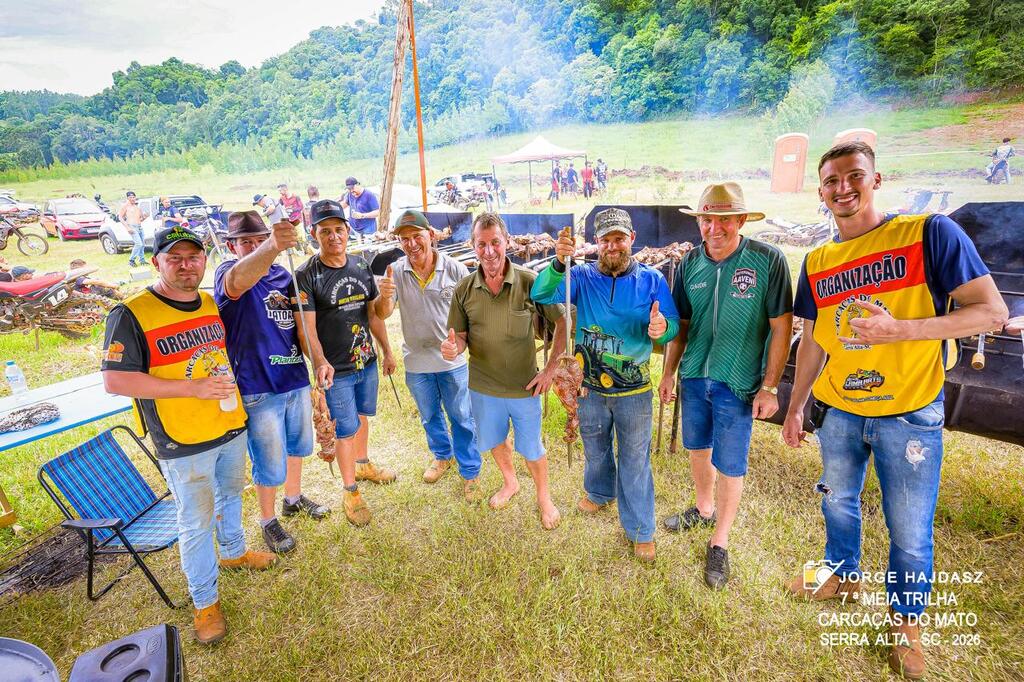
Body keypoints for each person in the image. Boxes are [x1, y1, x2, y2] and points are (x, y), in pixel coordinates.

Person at [781, 142, 1007, 679]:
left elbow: (991, 312)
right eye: (832, 180)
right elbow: (812, 340)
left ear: (877, 179)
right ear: (820, 192)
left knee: (909, 528)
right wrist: (796, 406)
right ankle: (841, 574)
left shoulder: (930, 233)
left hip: (908, 413)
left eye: (854, 176)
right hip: (838, 411)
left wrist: (901, 329)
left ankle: (905, 625)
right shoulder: (818, 260)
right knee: (838, 503)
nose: (843, 188)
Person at [101, 225, 276, 645]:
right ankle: (205, 602)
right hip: (182, 439)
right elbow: (116, 382)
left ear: (203, 259)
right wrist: (189, 388)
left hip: (227, 425)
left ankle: (233, 552)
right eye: (174, 258)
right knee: (196, 521)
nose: (185, 265)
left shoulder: (210, 303)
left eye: (193, 257)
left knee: (232, 494)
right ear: (155, 261)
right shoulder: (131, 314)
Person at [657, 183, 793, 586]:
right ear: (699, 221)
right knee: (697, 446)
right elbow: (680, 326)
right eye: (706, 219)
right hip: (696, 374)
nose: (714, 228)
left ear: (740, 221)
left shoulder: (767, 260)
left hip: (739, 379)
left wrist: (770, 386)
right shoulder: (689, 264)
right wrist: (668, 372)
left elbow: (781, 327)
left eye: (724, 220)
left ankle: (720, 542)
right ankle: (703, 510)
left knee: (731, 461)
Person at [532, 208, 679, 561]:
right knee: (595, 448)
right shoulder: (579, 277)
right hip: (589, 388)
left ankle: (641, 529)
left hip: (634, 391)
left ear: (632, 240)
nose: (612, 246)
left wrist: (663, 329)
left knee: (635, 459)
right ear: (596, 244)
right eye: (605, 240)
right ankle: (599, 493)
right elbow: (542, 292)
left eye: (619, 239)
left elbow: (672, 324)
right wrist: (556, 263)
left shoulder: (651, 280)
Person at [214, 211, 330, 554]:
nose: (252, 247)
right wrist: (270, 245)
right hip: (257, 385)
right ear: (232, 245)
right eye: (245, 242)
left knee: (297, 446)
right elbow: (237, 282)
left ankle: (292, 499)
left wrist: (319, 361)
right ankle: (267, 520)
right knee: (269, 457)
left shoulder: (284, 276)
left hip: (293, 377)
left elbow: (301, 328)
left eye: (258, 239)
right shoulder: (228, 272)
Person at [445, 212, 566, 529]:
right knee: (495, 440)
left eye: (495, 242)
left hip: (524, 387)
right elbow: (459, 339)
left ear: (507, 243)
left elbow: (564, 322)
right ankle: (510, 482)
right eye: (481, 244)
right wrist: (452, 348)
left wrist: (551, 369)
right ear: (473, 247)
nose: (489, 251)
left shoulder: (529, 282)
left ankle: (544, 499)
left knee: (532, 448)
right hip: (483, 387)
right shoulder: (464, 290)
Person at [293, 199, 397, 527]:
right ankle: (350, 490)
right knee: (344, 431)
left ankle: (363, 465)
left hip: (365, 361)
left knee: (364, 417)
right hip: (335, 371)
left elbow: (373, 314)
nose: (334, 236)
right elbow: (305, 329)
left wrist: (387, 349)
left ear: (348, 231)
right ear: (314, 234)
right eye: (326, 231)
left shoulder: (361, 266)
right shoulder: (306, 275)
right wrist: (320, 362)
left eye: (339, 229)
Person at [377, 210, 483, 499]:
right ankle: (441, 456)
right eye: (404, 239)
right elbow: (382, 313)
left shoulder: (456, 271)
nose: (411, 244)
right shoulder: (396, 271)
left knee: (461, 416)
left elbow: (473, 316)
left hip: (452, 362)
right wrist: (385, 297)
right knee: (429, 415)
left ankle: (470, 470)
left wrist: (465, 346)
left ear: (431, 236)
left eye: (417, 237)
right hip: (416, 362)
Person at [276, 183, 312, 254]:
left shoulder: (296, 197)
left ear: (285, 189)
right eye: (279, 191)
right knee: (293, 237)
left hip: (298, 219)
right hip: (289, 220)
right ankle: (299, 252)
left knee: (301, 237)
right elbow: (279, 207)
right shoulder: (281, 198)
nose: (279, 192)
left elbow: (301, 207)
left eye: (280, 191)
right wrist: (285, 210)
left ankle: (306, 251)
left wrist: (292, 209)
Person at [118, 191, 149, 268]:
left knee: (142, 244)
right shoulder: (125, 206)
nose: (132, 199)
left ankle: (142, 260)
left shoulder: (137, 207)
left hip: (139, 227)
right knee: (138, 244)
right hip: (132, 227)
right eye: (130, 197)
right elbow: (120, 217)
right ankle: (131, 260)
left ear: (135, 197)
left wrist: (145, 217)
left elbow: (141, 219)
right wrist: (127, 227)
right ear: (128, 198)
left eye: (133, 197)